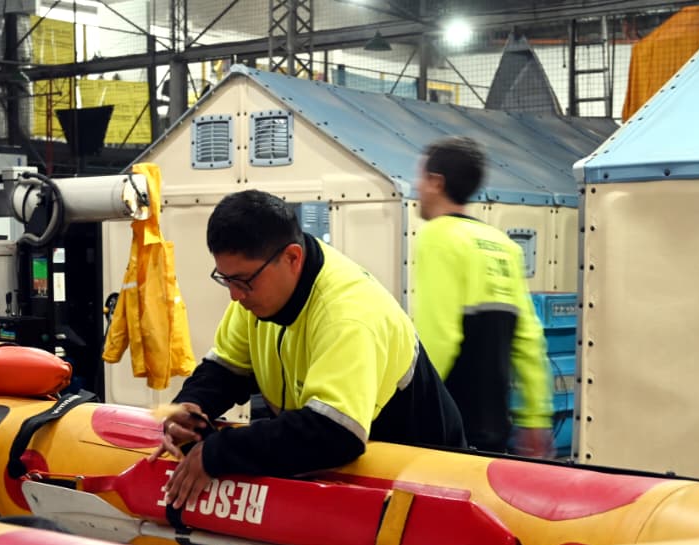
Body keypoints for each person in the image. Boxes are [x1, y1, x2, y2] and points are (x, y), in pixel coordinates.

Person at [152, 189, 465, 509]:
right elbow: (224, 371)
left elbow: (334, 433)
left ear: (292, 257)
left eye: (243, 281)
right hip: (363, 475)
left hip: (432, 480)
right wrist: (189, 409)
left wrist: (218, 452)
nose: (234, 296)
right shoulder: (255, 298)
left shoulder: (348, 313)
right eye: (226, 279)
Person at [412, 136, 554, 457]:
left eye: (420, 177)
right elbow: (529, 340)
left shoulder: (438, 237)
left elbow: (439, 336)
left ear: (436, 182)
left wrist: (408, 407)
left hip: (446, 427)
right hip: (494, 428)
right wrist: (535, 418)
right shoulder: (502, 244)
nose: (416, 186)